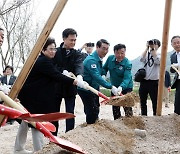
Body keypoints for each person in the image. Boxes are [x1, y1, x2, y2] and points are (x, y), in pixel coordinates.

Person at [14, 37, 84, 154]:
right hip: (33, 97)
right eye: (50, 49)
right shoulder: (43, 61)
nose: (53, 52)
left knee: (25, 121)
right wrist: (75, 81)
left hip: (31, 96)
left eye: (54, 49)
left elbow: (56, 71)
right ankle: (39, 150)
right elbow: (56, 75)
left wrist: (67, 74)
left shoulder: (45, 60)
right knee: (37, 122)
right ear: (43, 50)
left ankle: (18, 149)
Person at [77, 39, 119, 124]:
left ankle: (94, 124)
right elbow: (96, 76)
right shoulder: (91, 60)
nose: (105, 51)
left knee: (96, 108)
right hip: (86, 89)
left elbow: (101, 71)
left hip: (94, 88)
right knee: (91, 110)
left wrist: (103, 73)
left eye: (107, 49)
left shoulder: (99, 59)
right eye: (103, 48)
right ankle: (90, 126)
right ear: (97, 47)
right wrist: (110, 86)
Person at [53, 28, 84, 133]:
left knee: (70, 113)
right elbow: (52, 66)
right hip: (56, 87)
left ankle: (69, 135)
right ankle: (53, 135)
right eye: (71, 40)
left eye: (75, 40)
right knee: (55, 113)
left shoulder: (76, 54)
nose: (73, 42)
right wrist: (62, 71)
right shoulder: (55, 52)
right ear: (64, 39)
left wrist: (79, 75)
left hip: (71, 87)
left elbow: (79, 65)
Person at [102, 43, 133, 120]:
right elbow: (104, 68)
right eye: (117, 53)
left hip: (126, 87)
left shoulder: (127, 63)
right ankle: (117, 121)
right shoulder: (110, 59)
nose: (119, 55)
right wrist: (103, 74)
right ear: (114, 52)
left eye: (122, 53)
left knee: (127, 106)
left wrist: (121, 87)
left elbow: (127, 78)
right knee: (115, 105)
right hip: (114, 86)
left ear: (125, 52)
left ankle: (129, 121)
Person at [139, 39, 161, 116]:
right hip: (144, 81)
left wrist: (153, 50)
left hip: (154, 82)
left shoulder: (160, 54)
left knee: (155, 101)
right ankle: (143, 116)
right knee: (142, 100)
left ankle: (155, 116)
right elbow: (141, 59)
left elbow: (157, 61)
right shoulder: (146, 54)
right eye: (151, 44)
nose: (153, 45)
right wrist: (146, 48)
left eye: (155, 44)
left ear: (158, 46)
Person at [170, 35, 180, 115]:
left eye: (178, 42)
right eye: (175, 43)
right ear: (172, 45)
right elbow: (172, 71)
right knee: (178, 101)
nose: (177, 44)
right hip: (179, 80)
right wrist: (173, 67)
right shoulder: (173, 56)